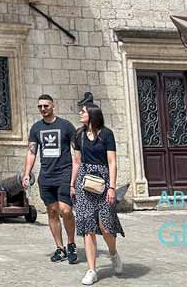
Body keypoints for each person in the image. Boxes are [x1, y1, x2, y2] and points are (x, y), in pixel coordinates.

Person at [71, 103, 125, 285]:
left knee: (105, 226)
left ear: (92, 114)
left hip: (104, 183)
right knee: (88, 227)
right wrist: (72, 184)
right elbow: (77, 162)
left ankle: (113, 253)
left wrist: (112, 187)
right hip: (84, 183)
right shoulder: (79, 135)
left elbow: (112, 162)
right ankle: (92, 270)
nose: (80, 113)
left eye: (83, 111)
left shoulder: (107, 134)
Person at [23, 94, 78, 264]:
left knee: (66, 211)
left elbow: (77, 153)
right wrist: (27, 173)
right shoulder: (36, 128)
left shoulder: (66, 126)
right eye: (40, 106)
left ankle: (71, 244)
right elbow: (32, 152)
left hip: (64, 174)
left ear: (53, 106)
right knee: (52, 211)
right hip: (46, 176)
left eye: (46, 106)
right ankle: (60, 248)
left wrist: (75, 177)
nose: (43, 109)